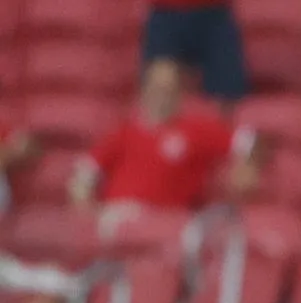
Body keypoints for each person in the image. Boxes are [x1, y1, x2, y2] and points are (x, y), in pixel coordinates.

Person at [72, 58, 257, 215]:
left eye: (168, 89)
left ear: (179, 94)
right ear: (143, 91)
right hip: (116, 215)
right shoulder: (123, 132)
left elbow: (250, 141)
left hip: (163, 221)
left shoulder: (196, 129)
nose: (161, 95)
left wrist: (247, 165)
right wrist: (84, 201)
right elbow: (86, 170)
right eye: (155, 88)